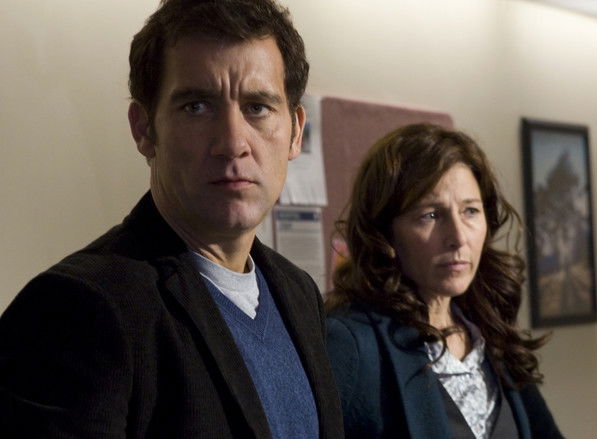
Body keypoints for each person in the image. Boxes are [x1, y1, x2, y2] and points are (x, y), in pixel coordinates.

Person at [0, 0, 343, 437]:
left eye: (258, 107)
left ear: (295, 131)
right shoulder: (76, 309)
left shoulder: (298, 293)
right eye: (197, 106)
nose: (233, 142)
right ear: (144, 129)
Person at [326, 123, 564, 439]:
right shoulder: (349, 343)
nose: (458, 237)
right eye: (431, 215)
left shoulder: (491, 332)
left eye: (470, 211)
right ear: (384, 232)